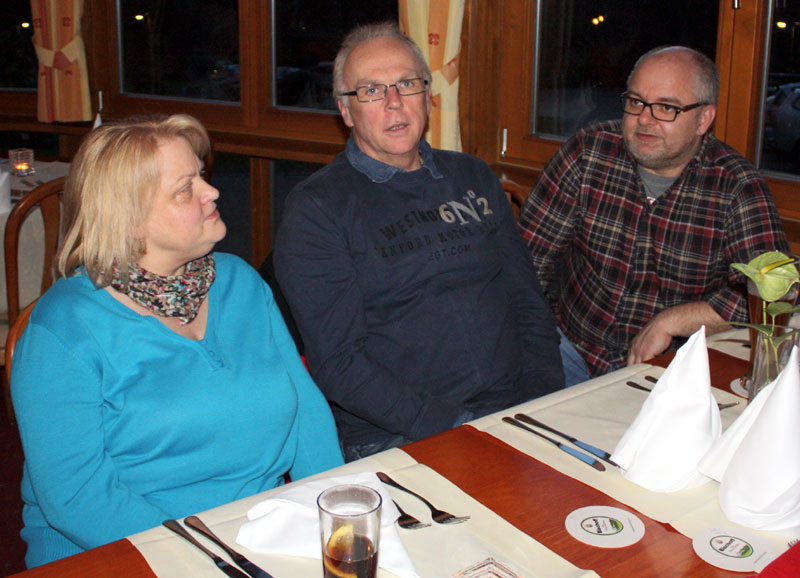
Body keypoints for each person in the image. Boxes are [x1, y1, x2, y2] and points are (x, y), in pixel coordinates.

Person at [10, 115, 343, 568]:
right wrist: (207, 557)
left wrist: (334, 514)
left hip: (255, 532)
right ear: (128, 221)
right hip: (113, 550)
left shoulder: (240, 285)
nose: (212, 192)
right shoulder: (63, 330)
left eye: (201, 176)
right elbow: (77, 497)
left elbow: (306, 414)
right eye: (185, 188)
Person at [274, 23, 564, 462]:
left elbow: (528, 303)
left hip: (514, 407)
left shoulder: (472, 176)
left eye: (407, 84)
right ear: (346, 111)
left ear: (427, 95)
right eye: (371, 91)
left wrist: (541, 401)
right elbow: (340, 366)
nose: (394, 103)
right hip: (403, 432)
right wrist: (457, 427)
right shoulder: (317, 209)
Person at [518, 46, 790, 379]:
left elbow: (777, 294)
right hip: (569, 350)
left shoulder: (735, 187)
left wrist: (674, 320)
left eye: (666, 107)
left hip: (667, 371)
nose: (644, 120)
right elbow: (528, 263)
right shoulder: (589, 153)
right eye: (635, 102)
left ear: (703, 118)